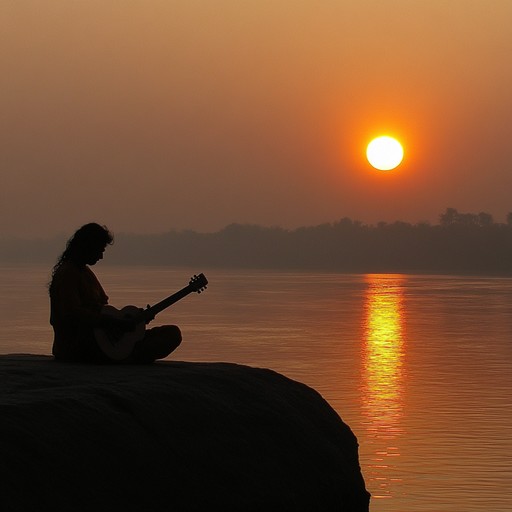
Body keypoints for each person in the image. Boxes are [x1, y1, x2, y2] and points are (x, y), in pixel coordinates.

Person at [49, 223, 182, 363]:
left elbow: (103, 309)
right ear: (88, 246)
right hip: (78, 346)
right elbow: (71, 314)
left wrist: (135, 319)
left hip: (105, 340)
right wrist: (114, 322)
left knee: (171, 333)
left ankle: (126, 355)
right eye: (99, 250)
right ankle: (127, 356)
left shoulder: (85, 272)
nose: (101, 256)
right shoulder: (68, 273)